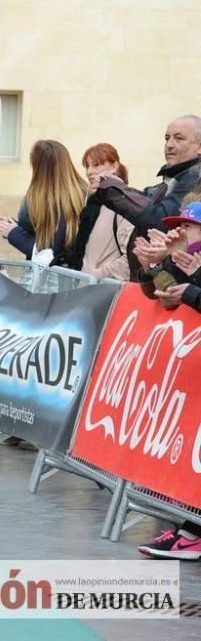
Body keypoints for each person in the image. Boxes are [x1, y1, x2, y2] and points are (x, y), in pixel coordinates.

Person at [130, 199, 201, 560]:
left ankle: (192, 531)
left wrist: (191, 288)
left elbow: (184, 295)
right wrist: (155, 265)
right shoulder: (188, 260)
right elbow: (161, 293)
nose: (181, 232)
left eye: (188, 227)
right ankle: (189, 526)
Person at [94, 115, 201, 277]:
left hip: (184, 288)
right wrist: (118, 187)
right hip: (162, 285)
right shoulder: (174, 178)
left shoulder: (195, 176)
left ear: (199, 146)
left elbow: (160, 218)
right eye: (167, 138)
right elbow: (148, 204)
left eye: (179, 138)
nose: (169, 145)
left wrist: (116, 189)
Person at [0, 140, 86, 267]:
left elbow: (46, 254)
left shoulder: (52, 202)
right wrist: (13, 227)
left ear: (39, 166)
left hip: (50, 282)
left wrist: (13, 232)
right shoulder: (82, 193)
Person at [68, 143, 133, 280]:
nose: (89, 171)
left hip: (106, 293)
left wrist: (95, 275)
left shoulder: (125, 205)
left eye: (96, 165)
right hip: (84, 289)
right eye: (87, 166)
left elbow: (131, 260)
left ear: (114, 166)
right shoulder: (92, 204)